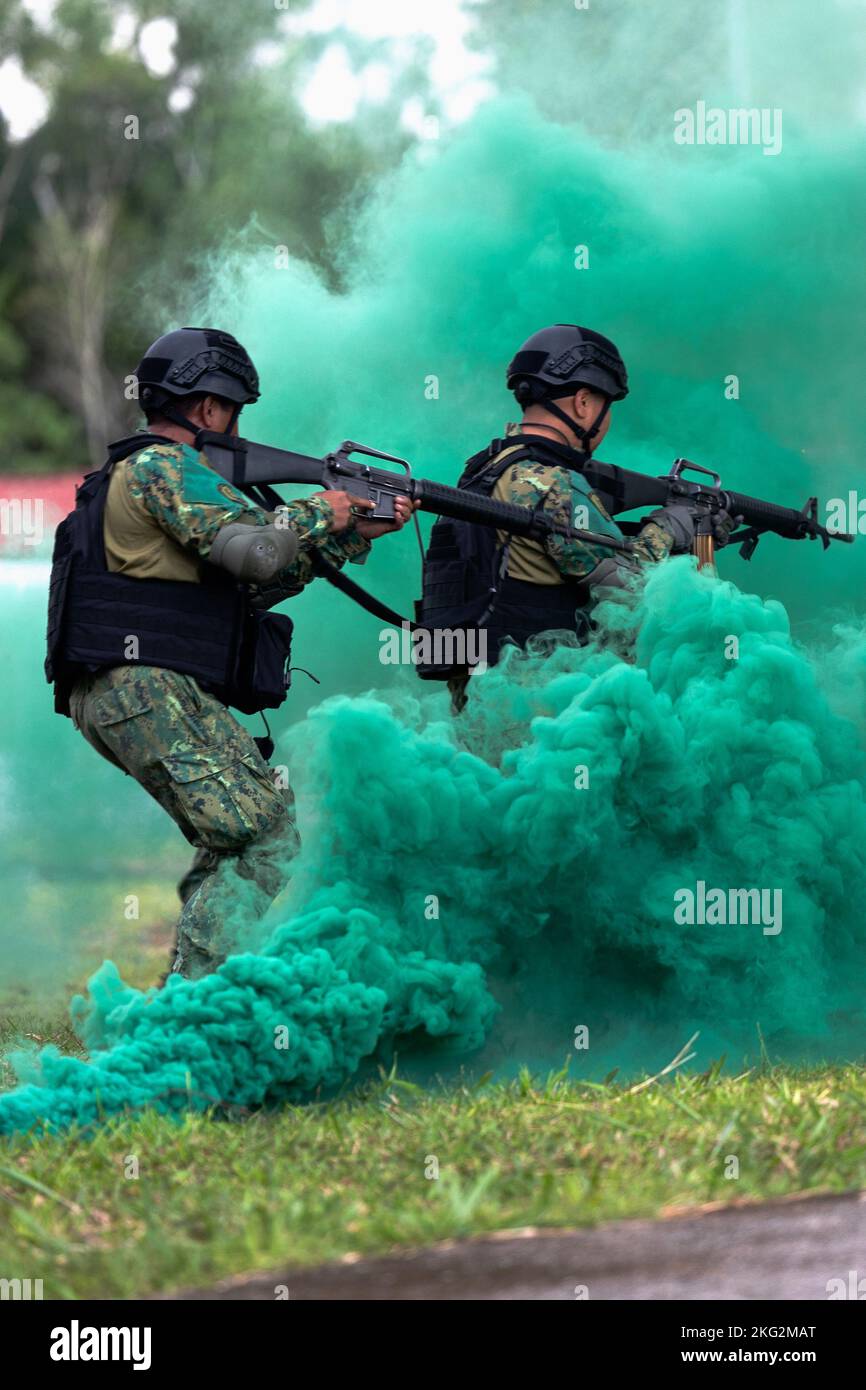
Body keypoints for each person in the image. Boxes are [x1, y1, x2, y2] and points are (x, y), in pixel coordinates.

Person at [46, 326, 413, 979]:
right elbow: (257, 549)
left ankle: (184, 1002)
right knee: (267, 836)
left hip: (127, 692)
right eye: (234, 411)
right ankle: (189, 1011)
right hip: (147, 689)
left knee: (239, 837)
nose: (237, 427)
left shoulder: (133, 474)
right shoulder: (165, 466)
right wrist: (321, 511)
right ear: (210, 408)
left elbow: (248, 584)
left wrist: (353, 536)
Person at [416, 323, 734, 706]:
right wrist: (672, 527)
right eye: (607, 405)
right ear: (583, 403)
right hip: (541, 710)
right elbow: (632, 592)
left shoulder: (482, 472)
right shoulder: (550, 484)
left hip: (481, 705)